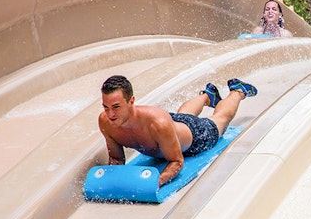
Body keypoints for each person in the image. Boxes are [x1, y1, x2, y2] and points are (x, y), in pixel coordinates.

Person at [98, 74, 257, 187]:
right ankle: (206, 96)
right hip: (172, 127)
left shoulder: (157, 123)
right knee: (181, 117)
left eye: (116, 107)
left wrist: (155, 182)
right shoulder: (106, 122)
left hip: (195, 136)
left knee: (219, 120)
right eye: (106, 107)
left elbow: (177, 161)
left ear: (131, 101)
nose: (110, 114)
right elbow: (117, 159)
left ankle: (238, 91)